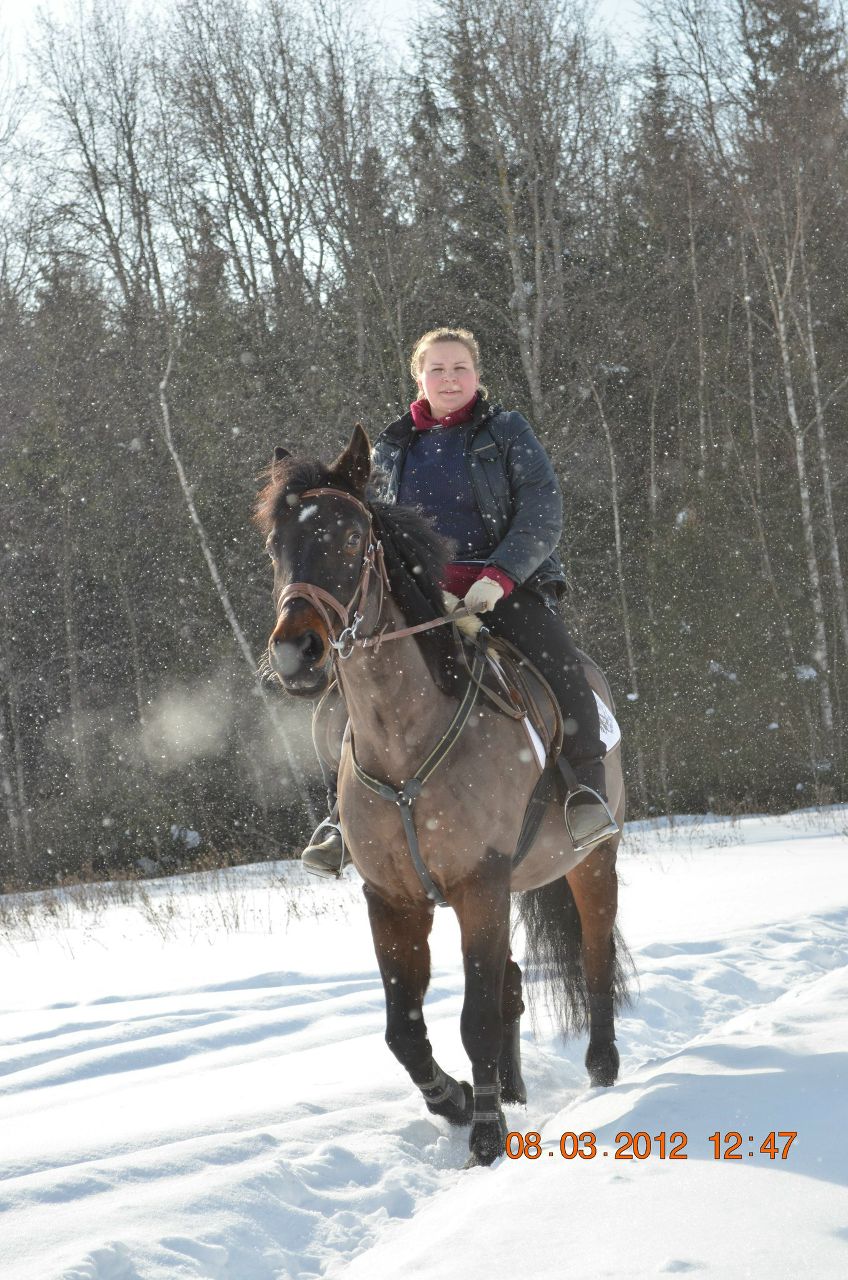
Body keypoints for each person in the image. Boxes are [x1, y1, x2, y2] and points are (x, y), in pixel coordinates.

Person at [302, 326, 618, 876]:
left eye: (460, 368)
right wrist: (417, 589)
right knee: (349, 689)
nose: (450, 379)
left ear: (477, 376)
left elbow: (542, 510)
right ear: (418, 379)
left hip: (502, 590)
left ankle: (585, 793)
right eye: (437, 370)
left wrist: (498, 577)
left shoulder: (507, 433)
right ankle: (341, 815)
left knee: (562, 668)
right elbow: (373, 532)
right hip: (421, 599)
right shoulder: (393, 447)